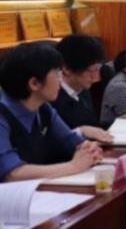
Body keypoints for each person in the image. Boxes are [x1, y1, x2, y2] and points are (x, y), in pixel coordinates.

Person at [0, 42, 103, 181]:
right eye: (57, 74)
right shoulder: (3, 114)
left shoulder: (43, 107)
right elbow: (12, 173)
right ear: (34, 83)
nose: (61, 81)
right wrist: (73, 166)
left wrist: (89, 149)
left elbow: (70, 140)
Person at [51, 34, 113, 143]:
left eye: (99, 68)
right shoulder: (52, 98)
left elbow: (92, 126)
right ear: (67, 69)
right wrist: (81, 131)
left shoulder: (83, 89)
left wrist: (121, 121)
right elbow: (52, 142)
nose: (97, 78)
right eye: (93, 70)